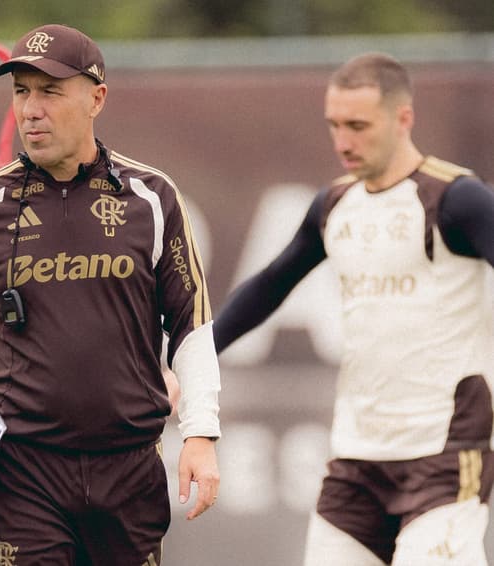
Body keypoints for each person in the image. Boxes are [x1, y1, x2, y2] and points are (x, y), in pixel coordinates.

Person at [0, 24, 222, 565]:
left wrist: (201, 433)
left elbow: (190, 325)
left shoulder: (153, 197)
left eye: (50, 91)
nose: (31, 110)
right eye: (21, 92)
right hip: (23, 472)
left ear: (96, 99)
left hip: (129, 469)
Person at [213, 52, 494, 565]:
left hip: (445, 456)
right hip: (356, 461)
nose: (343, 141)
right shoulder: (335, 205)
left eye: (358, 126)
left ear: (403, 118)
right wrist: (189, 361)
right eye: (335, 125)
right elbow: (270, 286)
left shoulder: (456, 199)